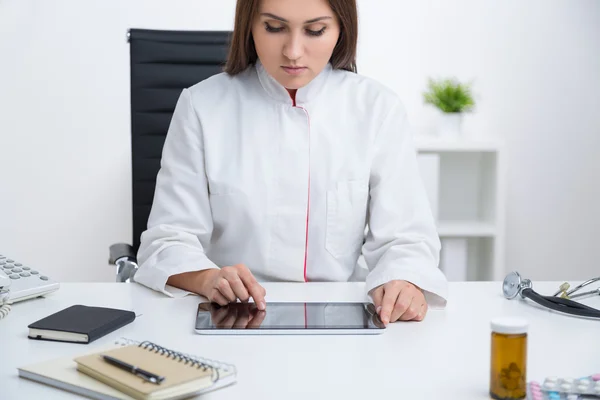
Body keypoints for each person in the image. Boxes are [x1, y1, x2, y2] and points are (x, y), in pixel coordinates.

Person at [134, 0, 448, 326]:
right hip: (233, 317)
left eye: (315, 30)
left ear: (342, 29)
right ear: (250, 26)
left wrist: (404, 280)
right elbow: (168, 239)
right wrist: (207, 279)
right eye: (274, 27)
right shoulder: (201, 106)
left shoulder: (377, 109)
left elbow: (406, 238)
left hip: (341, 319)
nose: (293, 52)